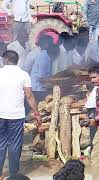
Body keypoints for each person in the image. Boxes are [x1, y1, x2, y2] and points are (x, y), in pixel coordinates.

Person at [0, 51, 40, 179]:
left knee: (0, 143)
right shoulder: (23, 75)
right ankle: (13, 174)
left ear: (5, 60)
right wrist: (37, 113)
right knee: (15, 144)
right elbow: (29, 95)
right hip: (16, 115)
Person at [30, 35, 54, 102]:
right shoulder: (44, 57)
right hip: (38, 88)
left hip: (40, 87)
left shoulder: (45, 54)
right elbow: (41, 77)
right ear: (46, 44)